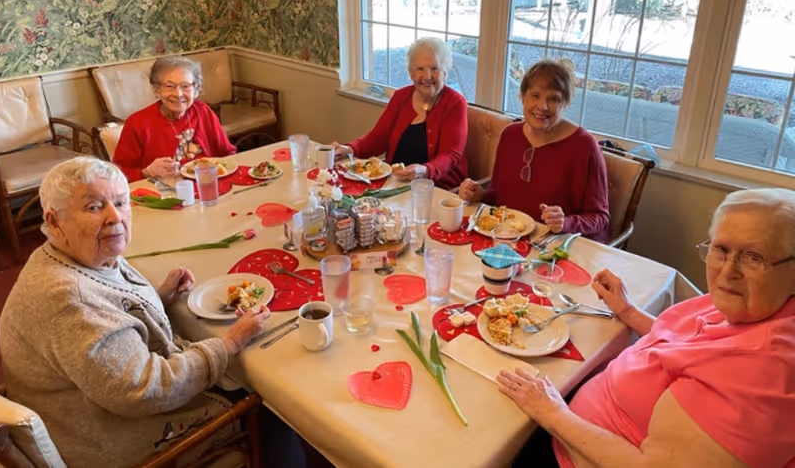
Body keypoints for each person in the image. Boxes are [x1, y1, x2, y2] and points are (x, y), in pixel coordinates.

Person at [0, 157, 297, 468]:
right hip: (112, 440)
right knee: (271, 404)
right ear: (55, 221)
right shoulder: (68, 299)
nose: (115, 217)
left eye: (120, 202)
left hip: (92, 409)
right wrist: (230, 343)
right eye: (94, 207)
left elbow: (108, 318)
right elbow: (146, 390)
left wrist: (158, 297)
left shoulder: (74, 253)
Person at [497, 188, 795, 468]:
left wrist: (552, 413)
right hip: (576, 417)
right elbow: (683, 346)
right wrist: (627, 310)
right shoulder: (755, 307)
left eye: (753, 257)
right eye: (721, 249)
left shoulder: (761, 372)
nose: (729, 271)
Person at [458, 59, 609, 242]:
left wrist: (566, 222)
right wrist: (479, 194)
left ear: (565, 103)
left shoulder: (585, 146)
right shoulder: (510, 134)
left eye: (553, 99)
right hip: (505, 238)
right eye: (535, 95)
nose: (542, 106)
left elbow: (600, 218)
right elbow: (498, 194)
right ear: (523, 96)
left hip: (554, 246)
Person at [333, 37, 468, 191]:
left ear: (445, 72)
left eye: (434, 68)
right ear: (411, 73)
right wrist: (350, 149)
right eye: (420, 69)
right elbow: (377, 138)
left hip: (437, 189)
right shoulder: (401, 97)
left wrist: (424, 171)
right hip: (395, 184)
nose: (427, 76)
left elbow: (450, 155)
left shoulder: (455, 103)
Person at [113, 56, 236, 182]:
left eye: (185, 86)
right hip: (162, 193)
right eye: (169, 86)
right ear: (157, 90)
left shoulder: (203, 111)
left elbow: (228, 153)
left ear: (196, 89)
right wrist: (147, 172)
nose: (178, 94)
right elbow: (117, 175)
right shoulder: (137, 123)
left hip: (210, 185)